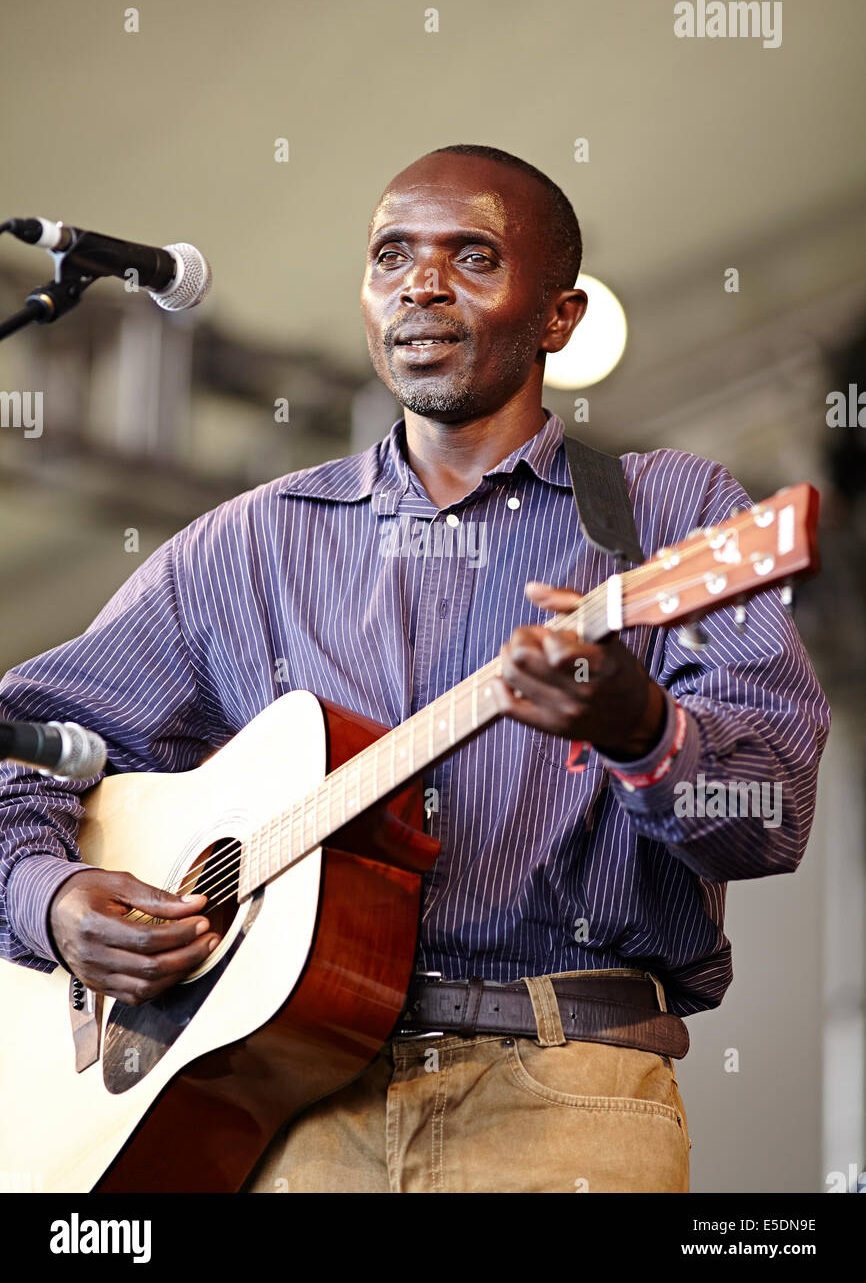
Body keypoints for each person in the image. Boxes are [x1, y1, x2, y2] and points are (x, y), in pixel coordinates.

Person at [0, 145, 830, 1194]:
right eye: (391, 255)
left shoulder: (668, 517)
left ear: (559, 318)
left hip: (564, 1093)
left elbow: (769, 814)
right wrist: (54, 895)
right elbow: (21, 743)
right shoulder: (247, 546)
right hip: (285, 1101)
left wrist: (639, 728)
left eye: (470, 256)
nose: (420, 283)